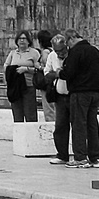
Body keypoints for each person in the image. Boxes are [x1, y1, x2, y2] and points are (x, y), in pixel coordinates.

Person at [56, 29, 99, 167]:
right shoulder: (95, 51)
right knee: (92, 124)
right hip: (95, 92)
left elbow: (68, 73)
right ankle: (95, 157)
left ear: (70, 39)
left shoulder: (75, 52)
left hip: (80, 92)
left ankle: (80, 157)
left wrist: (59, 72)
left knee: (78, 124)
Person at [41, 33, 70, 165]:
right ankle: (62, 154)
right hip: (59, 94)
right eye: (56, 50)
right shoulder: (52, 56)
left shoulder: (72, 54)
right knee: (60, 126)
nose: (59, 54)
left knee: (78, 125)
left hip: (73, 94)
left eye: (61, 50)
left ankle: (81, 154)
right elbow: (47, 74)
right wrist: (57, 74)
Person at [4, 32, 41, 123]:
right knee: (17, 115)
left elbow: (39, 69)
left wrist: (26, 69)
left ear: (29, 41)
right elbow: (6, 67)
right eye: (20, 38)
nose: (22, 40)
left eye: (24, 38)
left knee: (30, 115)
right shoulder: (13, 53)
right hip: (15, 88)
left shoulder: (34, 53)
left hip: (29, 86)